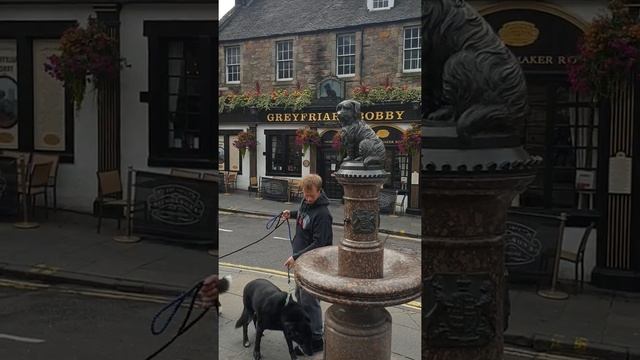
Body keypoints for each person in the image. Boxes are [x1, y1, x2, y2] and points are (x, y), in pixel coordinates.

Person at [281, 173, 333, 355]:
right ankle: (305, 331)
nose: (308, 199)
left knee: (310, 300)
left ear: (319, 191)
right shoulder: (306, 202)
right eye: (305, 195)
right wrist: (292, 214)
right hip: (301, 260)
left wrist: (295, 256)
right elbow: (304, 217)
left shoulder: (324, 214)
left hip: (313, 263)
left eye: (311, 196)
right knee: (299, 295)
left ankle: (316, 339)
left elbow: (319, 244)